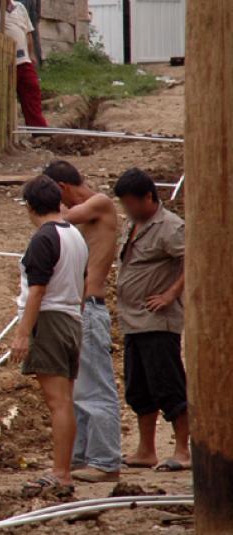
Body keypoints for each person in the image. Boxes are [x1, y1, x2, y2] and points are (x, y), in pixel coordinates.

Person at [45, 161, 122, 483]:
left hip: (90, 307)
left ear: (62, 187)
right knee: (77, 389)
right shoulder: (84, 215)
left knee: (95, 387)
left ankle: (105, 460)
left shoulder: (99, 203)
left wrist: (47, 207)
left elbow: (60, 219)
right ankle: (81, 456)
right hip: (78, 311)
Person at [11, 175, 87, 492]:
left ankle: (61, 472)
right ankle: (63, 467)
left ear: (30, 207)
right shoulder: (75, 235)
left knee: (58, 402)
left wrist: (22, 334)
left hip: (51, 320)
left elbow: (37, 290)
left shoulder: (44, 238)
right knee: (64, 400)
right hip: (71, 319)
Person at [113, 168, 189, 472]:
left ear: (148, 197)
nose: (127, 208)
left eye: (130, 202)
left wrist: (170, 294)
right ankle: (146, 450)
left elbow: (192, 259)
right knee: (139, 389)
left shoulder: (170, 227)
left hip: (158, 321)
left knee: (168, 386)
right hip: (133, 320)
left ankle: (183, 450)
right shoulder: (133, 225)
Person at [0, 0, 48, 128]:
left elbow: (28, 33)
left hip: (23, 60)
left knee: (32, 89)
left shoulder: (20, 7)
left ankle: (38, 127)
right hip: (2, 63)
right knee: (0, 96)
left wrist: (31, 54)